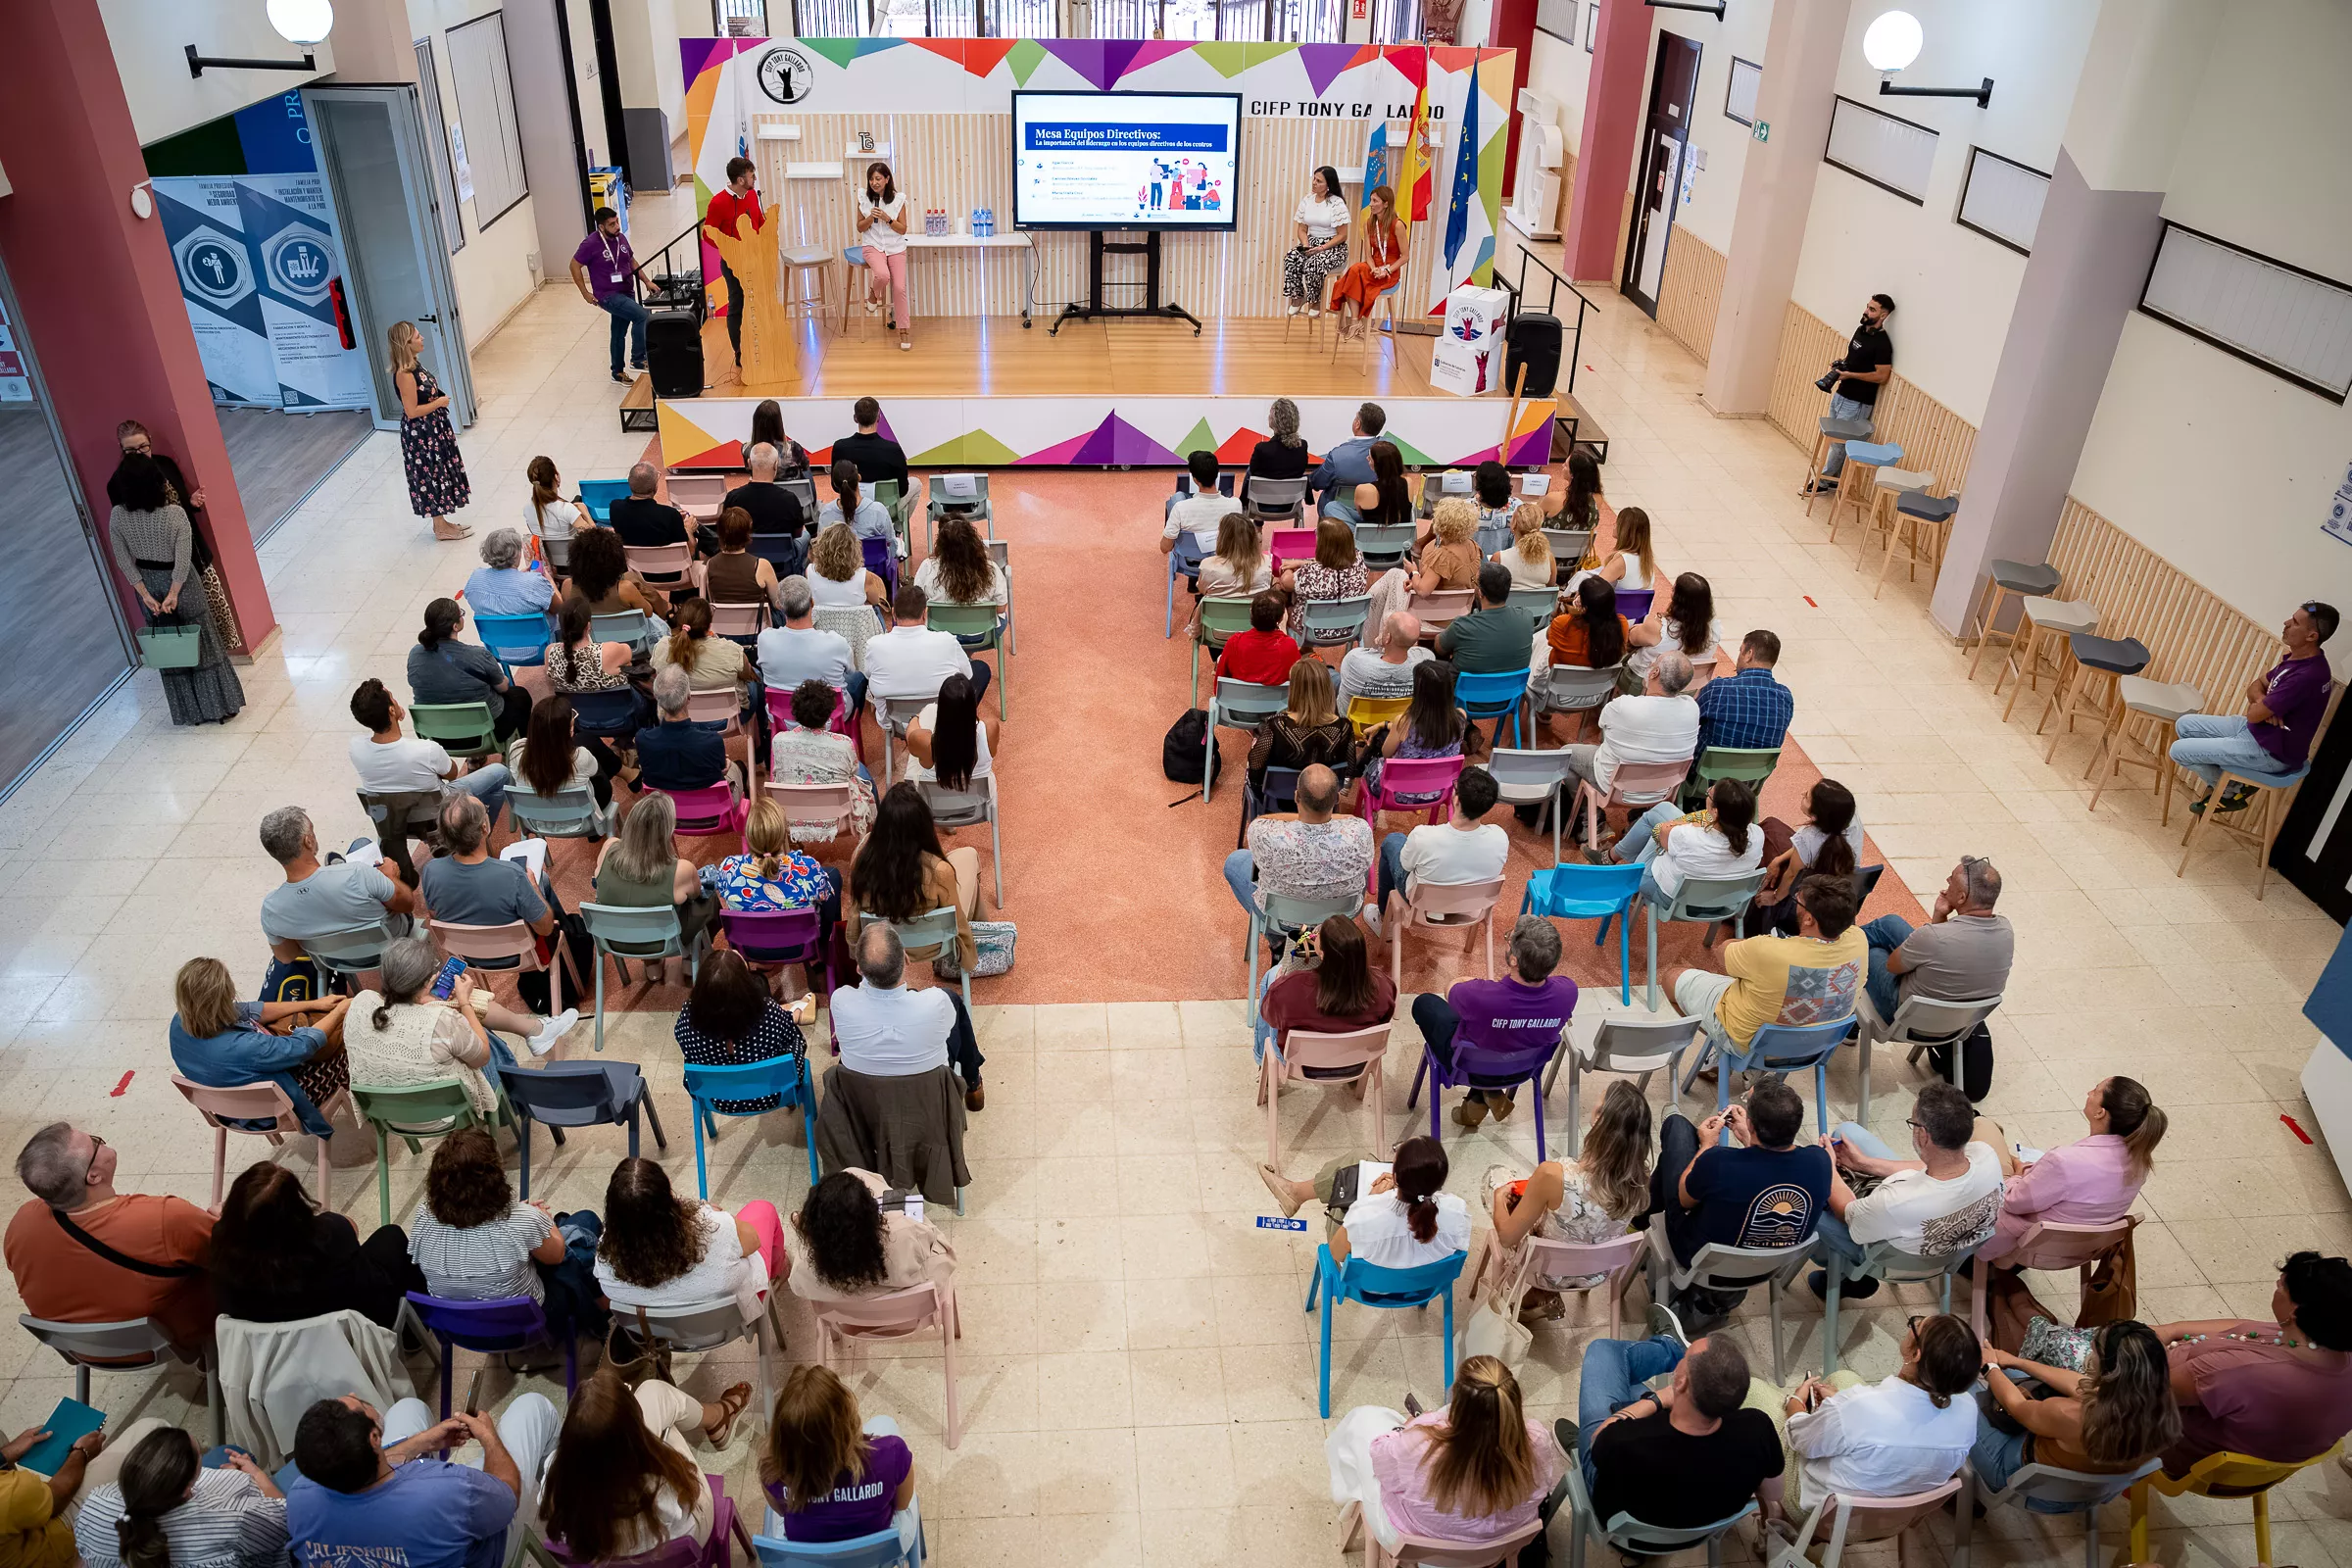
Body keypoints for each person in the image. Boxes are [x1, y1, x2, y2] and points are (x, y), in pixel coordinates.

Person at [285, 1392, 558, 1568]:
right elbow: (507, 1494)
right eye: (355, 1404)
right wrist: (488, 1437)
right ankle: (565, 1498)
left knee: (408, 1407)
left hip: (420, 1528)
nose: (355, 1394)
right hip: (484, 1553)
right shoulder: (445, 1491)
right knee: (532, 1406)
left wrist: (418, 1442)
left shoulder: (300, 1497)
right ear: (374, 1439)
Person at [7, 1122, 215, 1353]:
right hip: (169, 1340)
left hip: (83, 1349)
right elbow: (232, 1252)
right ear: (94, 1176)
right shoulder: (165, 1217)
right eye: (95, 1142)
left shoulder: (21, 1223)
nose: (101, 1141)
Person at [1325, 1356, 1562, 1556]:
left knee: (1364, 1420)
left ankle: (1342, 1492)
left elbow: (1381, 1466)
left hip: (1421, 1543)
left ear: (1458, 1402)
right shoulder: (1538, 1440)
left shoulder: (1420, 1446)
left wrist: (1413, 1428)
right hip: (1501, 1544)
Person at [1564, 1322, 1784, 1532]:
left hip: (1621, 1527)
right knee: (1628, 1387)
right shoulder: (1758, 1428)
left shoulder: (1628, 1439)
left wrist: (1656, 1399)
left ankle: (1671, 1346)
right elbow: (1774, 1492)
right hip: (1698, 1530)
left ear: (1680, 1382)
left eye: (1685, 1359)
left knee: (1601, 1350)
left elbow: (1598, 1441)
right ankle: (1675, 1349)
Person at [2152, 1250, 2352, 1476]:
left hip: (2179, 1451)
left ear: (2295, 1309)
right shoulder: (2320, 1340)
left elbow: (2146, 1394)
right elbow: (2247, 1328)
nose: (2276, 1286)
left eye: (2281, 1286)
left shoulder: (2239, 1370)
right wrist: (2174, 1329)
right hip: (2254, 1465)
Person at [1651, 1077, 1834, 1324]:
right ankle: (1641, 1214)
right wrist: (1750, 1140)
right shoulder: (1820, 1161)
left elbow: (1683, 1200)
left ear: (1750, 1122)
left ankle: (1640, 1217)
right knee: (1675, 1163)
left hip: (1698, 1260)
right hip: (1767, 1267)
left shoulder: (1719, 1161)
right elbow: (1773, 1168)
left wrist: (1706, 1145)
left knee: (1678, 1129)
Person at [1811, 1081, 2003, 1299]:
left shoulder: (1895, 1201)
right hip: (1944, 1256)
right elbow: (1930, 1166)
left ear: (1924, 1135)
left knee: (1802, 1189)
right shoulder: (1987, 1155)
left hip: (1878, 1259)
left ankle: (1847, 1277)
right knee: (1848, 1131)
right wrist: (1864, 1163)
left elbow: (1845, 1212)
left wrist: (1826, 1167)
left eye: (1913, 1123)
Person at [1771, 1313, 1981, 1512]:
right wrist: (1842, 1403)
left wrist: (1795, 1404)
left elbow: (1802, 1442)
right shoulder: (1969, 1409)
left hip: (1825, 1510)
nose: (1912, 1325)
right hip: (1894, 1513)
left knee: (1757, 1404)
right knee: (1844, 1377)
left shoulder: (1862, 1406)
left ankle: (1771, 1514)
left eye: (1918, 1325)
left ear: (1916, 1354)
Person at [407, 1127, 605, 1337]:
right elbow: (557, 1255)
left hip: (462, 1327)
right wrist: (543, 1219)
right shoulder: (521, 1219)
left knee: (569, 1229)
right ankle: (600, 1309)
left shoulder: (424, 1214)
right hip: (528, 1326)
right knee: (583, 1226)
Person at [416, 795, 580, 1045]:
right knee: (544, 890)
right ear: (485, 827)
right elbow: (545, 928)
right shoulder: (512, 875)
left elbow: (434, 915)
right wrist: (533, 888)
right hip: (525, 955)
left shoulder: (431, 872)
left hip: (469, 957)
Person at [539, 1367, 749, 1561]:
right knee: (664, 1420)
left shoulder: (554, 1478)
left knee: (655, 1398)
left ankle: (717, 1417)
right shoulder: (657, 1484)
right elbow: (689, 1493)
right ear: (633, 1430)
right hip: (684, 1544)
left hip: (605, 1558)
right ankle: (718, 1417)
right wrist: (658, 1445)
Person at [1483, 1081, 1652, 1319]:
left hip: (1542, 1269)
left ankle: (1542, 1292)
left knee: (1496, 1176)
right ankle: (1541, 1297)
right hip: (1595, 1272)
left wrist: (1499, 1197)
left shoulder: (1554, 1174)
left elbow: (1507, 1237)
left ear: (1600, 1119)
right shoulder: (1641, 1181)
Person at [1668, 873, 1864, 1072]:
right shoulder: (1859, 940)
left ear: (1809, 919)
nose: (1795, 903)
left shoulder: (1768, 950)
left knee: (1672, 978)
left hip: (1751, 1045)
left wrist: (1753, 946)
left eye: (1798, 900)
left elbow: (1722, 953)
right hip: (1815, 1047)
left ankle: (1724, 1050)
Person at [107, 453, 245, 724]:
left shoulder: (117, 516)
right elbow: (183, 559)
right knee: (203, 641)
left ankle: (190, 712)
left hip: (147, 581)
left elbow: (123, 559)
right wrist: (173, 593)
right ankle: (220, 706)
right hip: (182, 583)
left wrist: (145, 594)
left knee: (170, 648)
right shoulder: (175, 514)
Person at [1974, 1077, 2166, 1266]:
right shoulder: (2141, 1163)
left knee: (1984, 1127)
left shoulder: (2064, 1161)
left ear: (2100, 1112)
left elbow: (2012, 1202)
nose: (2088, 1093)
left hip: (2026, 1245)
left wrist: (2017, 1174)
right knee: (2002, 1149)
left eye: (2095, 1090)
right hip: (2081, 1250)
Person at [1973, 1321, 2180, 1496]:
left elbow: (2017, 1406)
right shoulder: (2162, 1409)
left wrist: (1990, 1367)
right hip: (2088, 1493)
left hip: (2015, 1478)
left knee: (1958, 1383)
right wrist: (2018, 1362)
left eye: (2094, 1352)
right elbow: (2081, 1385)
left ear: (2109, 1370)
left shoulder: (2069, 1414)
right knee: (2014, 1377)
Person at [1410, 914, 1578, 1129]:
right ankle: (1486, 1094)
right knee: (1493, 1036)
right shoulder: (1568, 992)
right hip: (1522, 1068)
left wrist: (1483, 987)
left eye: (1510, 940)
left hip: (1467, 1067)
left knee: (1425, 1003)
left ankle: (1485, 1091)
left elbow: (1452, 987)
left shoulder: (1482, 997)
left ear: (1514, 959)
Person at [209, 1162, 421, 1330]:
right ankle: (415, 1332)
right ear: (295, 1208)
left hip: (271, 1353)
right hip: (351, 1333)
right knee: (391, 1236)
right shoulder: (327, 1235)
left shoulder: (223, 1247)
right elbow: (351, 1226)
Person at [2174, 601, 2338, 816]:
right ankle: (2233, 785)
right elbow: (2255, 685)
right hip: (2259, 731)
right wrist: (2264, 703)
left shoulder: (2307, 675)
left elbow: (2253, 714)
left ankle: (2231, 792)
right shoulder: (2297, 659)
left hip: (2272, 752)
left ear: (2311, 636)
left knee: (2178, 751)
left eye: (2295, 622)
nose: (2286, 623)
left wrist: (2261, 708)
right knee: (2185, 725)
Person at [170, 956, 350, 1139]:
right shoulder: (245, 1047)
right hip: (275, 1111)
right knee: (346, 1046)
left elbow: (248, 1010)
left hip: (227, 1109)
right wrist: (339, 1011)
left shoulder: (179, 1023)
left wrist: (313, 1004)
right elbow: (303, 1045)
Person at [345, 939, 522, 1119]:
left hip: (392, 1116)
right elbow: (482, 1057)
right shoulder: (442, 1019)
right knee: (486, 1038)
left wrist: (424, 1000)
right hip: (449, 1115)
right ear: (428, 981)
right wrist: (464, 1002)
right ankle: (515, 1104)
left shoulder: (361, 1002)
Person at [73, 1424, 289, 1568]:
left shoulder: (95, 1503)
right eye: (199, 1458)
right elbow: (287, 1521)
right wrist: (256, 1474)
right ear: (187, 1488)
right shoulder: (234, 1520)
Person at [594, 1155, 782, 1316]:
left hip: (660, 1334)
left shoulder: (604, 1260)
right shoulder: (714, 1229)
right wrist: (710, 1214)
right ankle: (780, 1269)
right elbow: (753, 1241)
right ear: (669, 1206)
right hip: (731, 1321)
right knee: (762, 1209)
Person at [759, 1365, 920, 1550]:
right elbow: (902, 1505)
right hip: (878, 1556)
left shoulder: (771, 1471)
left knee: (777, 1521)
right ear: (844, 1422)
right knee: (886, 1423)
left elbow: (780, 1510)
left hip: (807, 1560)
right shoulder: (891, 1452)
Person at [1260, 1135, 1469, 1272]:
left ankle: (1295, 1193)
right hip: (1424, 1286)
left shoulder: (1365, 1214)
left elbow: (1334, 1253)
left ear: (1396, 1176)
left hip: (1366, 1287)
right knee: (1360, 1157)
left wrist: (1369, 1201)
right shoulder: (1458, 1211)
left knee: (1345, 1185)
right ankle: (1295, 1194)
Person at [830, 924, 986, 1107]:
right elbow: (947, 1027)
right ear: (906, 959)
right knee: (954, 1005)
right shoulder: (937, 1001)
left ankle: (974, 1083)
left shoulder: (841, 1001)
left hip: (867, 1106)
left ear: (859, 970)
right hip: (928, 1102)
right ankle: (973, 1084)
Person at [1222, 763, 1375, 934]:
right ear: (1337, 799)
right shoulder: (1361, 832)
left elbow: (1261, 820)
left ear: (1296, 797)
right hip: (1339, 920)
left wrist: (1304, 816)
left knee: (1234, 861)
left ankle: (1277, 940)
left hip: (1279, 919)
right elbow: (1350, 819)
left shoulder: (1266, 835)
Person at [1559, 651, 1699, 836]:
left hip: (1615, 788)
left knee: (1565, 754)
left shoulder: (1623, 705)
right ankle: (1638, 822)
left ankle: (1592, 821)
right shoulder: (1692, 707)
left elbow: (1603, 727)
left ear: (1654, 673)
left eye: (1653, 663)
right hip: (1662, 791)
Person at [1862, 855, 2013, 1024]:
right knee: (1890, 923)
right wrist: (1940, 914)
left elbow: (1892, 966)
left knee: (1871, 951)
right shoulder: (2006, 930)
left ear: (1962, 898)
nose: (1947, 881)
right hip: (1959, 1023)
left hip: (1905, 1017)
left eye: (1951, 880)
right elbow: (1942, 950)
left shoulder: (1933, 937)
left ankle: (1834, 953)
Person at [846, 783, 981, 973]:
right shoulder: (938, 870)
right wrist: (969, 955)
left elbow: (854, 914)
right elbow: (957, 921)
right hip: (933, 946)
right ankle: (982, 941)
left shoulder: (862, 858)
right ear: (923, 824)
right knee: (969, 856)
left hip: (880, 948)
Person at [257, 805, 418, 964]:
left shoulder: (271, 909)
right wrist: (391, 877)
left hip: (333, 958)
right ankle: (340, 870)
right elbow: (407, 904)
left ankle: (337, 868)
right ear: (308, 841)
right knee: (362, 845)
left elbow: (286, 956)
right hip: (391, 944)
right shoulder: (358, 873)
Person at [350, 676, 512, 829]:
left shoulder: (355, 748)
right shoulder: (426, 750)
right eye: (392, 698)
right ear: (392, 711)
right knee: (501, 772)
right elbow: (452, 774)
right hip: (442, 813)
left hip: (398, 822)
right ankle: (477, 832)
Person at [595, 792, 717, 979]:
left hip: (615, 939)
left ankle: (651, 966)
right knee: (710, 898)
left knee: (634, 901)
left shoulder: (609, 847)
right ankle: (691, 957)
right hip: (664, 941)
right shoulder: (681, 870)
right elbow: (695, 895)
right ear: (667, 832)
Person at [786, 1168, 956, 1303]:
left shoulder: (804, 1270)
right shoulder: (905, 1234)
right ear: (871, 1213)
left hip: (846, 1319)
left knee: (853, 1173)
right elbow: (946, 1256)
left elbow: (797, 1287)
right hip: (910, 1312)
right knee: (857, 1174)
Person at [1253, 913, 1396, 1067]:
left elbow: (1270, 1016)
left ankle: (1262, 1060)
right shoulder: (1383, 985)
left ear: (1322, 953)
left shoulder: (1291, 988)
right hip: (1356, 1061)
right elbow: (1384, 1020)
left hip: (1299, 1063)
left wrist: (1277, 984)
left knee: (1271, 975)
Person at [1371, 762, 1506, 925]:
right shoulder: (1500, 837)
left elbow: (1405, 866)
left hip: (1421, 903)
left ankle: (1383, 917)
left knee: (1393, 840)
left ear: (1457, 800)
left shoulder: (1424, 836)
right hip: (1471, 904)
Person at [677, 949, 808, 1113]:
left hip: (716, 1100)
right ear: (747, 984)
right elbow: (794, 1039)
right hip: (775, 1095)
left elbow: (683, 1043)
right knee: (795, 1041)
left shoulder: (688, 1016)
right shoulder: (768, 1012)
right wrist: (791, 1017)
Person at [1609, 777, 1764, 912]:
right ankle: (1612, 855)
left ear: (1715, 812)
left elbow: (1662, 833)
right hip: (1723, 902)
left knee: (1657, 830)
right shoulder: (1757, 835)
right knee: (1665, 809)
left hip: (1670, 898)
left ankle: (1618, 866)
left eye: (1709, 793)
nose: (1708, 792)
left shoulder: (1688, 835)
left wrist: (1692, 825)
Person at [1359, 658, 1488, 808]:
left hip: (1397, 792)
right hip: (1438, 791)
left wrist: (1389, 727)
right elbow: (1431, 729)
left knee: (1373, 759)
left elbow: (1386, 753)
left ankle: (1364, 802)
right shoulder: (1460, 717)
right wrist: (1387, 725)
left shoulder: (1404, 722)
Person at [405, 599, 532, 742]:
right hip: (483, 735)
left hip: (436, 735)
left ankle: (474, 760)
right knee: (520, 695)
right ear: (455, 626)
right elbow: (503, 687)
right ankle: (519, 750)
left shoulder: (415, 654)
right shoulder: (478, 655)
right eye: (461, 614)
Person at [768, 679, 877, 845]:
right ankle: (878, 831)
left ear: (795, 711)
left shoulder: (779, 741)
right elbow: (853, 771)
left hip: (792, 817)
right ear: (829, 712)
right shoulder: (844, 743)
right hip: (839, 819)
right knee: (863, 773)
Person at [390, 320, 471, 540]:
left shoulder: (415, 365)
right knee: (431, 475)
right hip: (422, 436)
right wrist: (439, 403)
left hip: (433, 430)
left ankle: (442, 522)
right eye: (417, 336)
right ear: (406, 343)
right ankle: (440, 528)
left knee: (441, 472)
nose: (422, 338)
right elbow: (412, 411)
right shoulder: (404, 374)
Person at [1805, 293, 1894, 492]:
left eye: (1872, 309)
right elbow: (1855, 359)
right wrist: (1842, 365)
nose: (1866, 311)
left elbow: (1882, 376)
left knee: (1839, 444)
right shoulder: (1860, 331)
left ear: (1883, 315)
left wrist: (1851, 374)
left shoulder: (1882, 344)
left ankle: (1822, 482)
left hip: (1858, 401)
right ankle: (1832, 478)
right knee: (1833, 439)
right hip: (1841, 393)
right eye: (1867, 307)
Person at [1751, 779, 1862, 937]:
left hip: (1803, 901)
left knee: (1770, 832)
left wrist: (1775, 897)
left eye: (1807, 798)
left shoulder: (1808, 836)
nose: (1803, 794)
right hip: (1836, 895)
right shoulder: (1850, 822)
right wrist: (1780, 859)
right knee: (1773, 827)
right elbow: (1807, 850)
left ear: (1816, 816)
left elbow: (1791, 874)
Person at [718, 794, 846, 930]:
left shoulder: (729, 868)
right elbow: (825, 895)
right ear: (783, 834)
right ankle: (831, 941)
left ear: (750, 834)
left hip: (750, 948)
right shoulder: (809, 868)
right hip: (803, 948)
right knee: (833, 876)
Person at [0, 1417, 107, 1568]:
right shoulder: (7, 1493)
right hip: (52, 1545)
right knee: (146, 1427)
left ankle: (22, 1515)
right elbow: (59, 1494)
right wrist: (81, 1452)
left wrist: (3, 1455)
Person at [1246, 657, 1352, 800]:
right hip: (1323, 801)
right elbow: (1349, 769)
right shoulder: (1344, 727)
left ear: (1294, 689)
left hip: (1278, 801)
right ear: (1328, 689)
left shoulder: (1277, 725)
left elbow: (1255, 765)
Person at [866, 584, 992, 705]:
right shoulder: (947, 641)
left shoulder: (874, 645)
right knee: (980, 668)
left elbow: (869, 676)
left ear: (893, 614)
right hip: (941, 721)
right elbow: (967, 675)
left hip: (893, 722)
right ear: (925, 614)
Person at [570, 204, 649, 382]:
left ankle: (617, 372)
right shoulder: (590, 244)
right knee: (642, 316)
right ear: (601, 226)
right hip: (608, 295)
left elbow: (631, 260)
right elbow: (574, 265)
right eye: (612, 224)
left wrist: (646, 281)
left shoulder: (620, 238)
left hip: (627, 291)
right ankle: (638, 359)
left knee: (618, 332)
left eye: (617, 222)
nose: (617, 227)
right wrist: (585, 293)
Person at [759, 576, 860, 710]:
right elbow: (850, 670)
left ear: (779, 605)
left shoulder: (765, 640)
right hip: (830, 718)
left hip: (782, 716)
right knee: (858, 678)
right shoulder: (837, 643)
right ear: (812, 603)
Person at [703, 156, 764, 368]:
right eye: (751, 175)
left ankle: (761, 346)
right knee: (737, 304)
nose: (754, 178)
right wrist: (728, 246)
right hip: (732, 263)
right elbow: (707, 234)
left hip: (756, 259)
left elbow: (760, 222)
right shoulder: (718, 202)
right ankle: (739, 350)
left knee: (759, 303)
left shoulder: (752, 196)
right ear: (740, 180)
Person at [633, 665, 734, 796]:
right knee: (738, 769)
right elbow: (720, 772)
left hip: (666, 809)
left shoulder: (643, 739)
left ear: (656, 697)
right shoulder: (712, 741)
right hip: (709, 807)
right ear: (688, 696)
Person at [1693, 630, 1794, 753]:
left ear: (1749, 654)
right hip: (1755, 771)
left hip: (1702, 769)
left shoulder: (1719, 689)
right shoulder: (1785, 698)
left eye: (1740, 651)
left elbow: (1690, 719)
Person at [914, 514, 1007, 645]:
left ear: (940, 544)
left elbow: (917, 604)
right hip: (982, 634)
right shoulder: (990, 568)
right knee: (1002, 618)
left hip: (939, 633)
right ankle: (965, 658)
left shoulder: (928, 566)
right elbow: (1001, 608)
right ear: (974, 542)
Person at [852, 161, 913, 351]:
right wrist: (871, 217)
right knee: (882, 275)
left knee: (899, 288)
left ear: (887, 179)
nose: (874, 182)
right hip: (873, 246)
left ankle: (903, 330)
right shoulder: (863, 198)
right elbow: (860, 227)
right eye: (871, 179)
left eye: (878, 178)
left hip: (895, 247)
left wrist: (887, 219)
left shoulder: (898, 200)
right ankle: (873, 295)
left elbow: (902, 229)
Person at [1328, 183, 1403, 338]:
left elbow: (1406, 256)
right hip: (1373, 267)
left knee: (1353, 274)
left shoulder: (1398, 225)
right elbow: (1369, 256)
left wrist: (1386, 270)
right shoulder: (1369, 224)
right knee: (1353, 272)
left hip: (1390, 271)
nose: (1371, 204)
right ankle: (1355, 322)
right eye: (1371, 200)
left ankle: (1355, 322)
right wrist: (1374, 268)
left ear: (1386, 203)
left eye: (1375, 201)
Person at [1279, 516, 1369, 641]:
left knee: (1281, 604)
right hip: (1350, 626)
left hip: (1314, 630)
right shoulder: (1359, 560)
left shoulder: (1312, 574)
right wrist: (1304, 563)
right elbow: (1333, 565)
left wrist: (1289, 564)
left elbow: (1285, 582)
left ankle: (1296, 651)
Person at [1436, 562, 1535, 675]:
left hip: (1465, 691)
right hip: (1511, 691)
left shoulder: (1461, 626)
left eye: (1475, 582)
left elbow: (1439, 648)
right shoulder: (1527, 618)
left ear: (1480, 592)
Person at [564, 524, 671, 629]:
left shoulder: (567, 586)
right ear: (616, 560)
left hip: (588, 640)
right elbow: (648, 612)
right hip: (630, 641)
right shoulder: (625, 588)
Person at [1626, 571, 1720, 688]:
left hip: (1643, 685)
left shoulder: (1657, 627)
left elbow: (1632, 638)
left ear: (1677, 599)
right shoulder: (1715, 628)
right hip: (1686, 688)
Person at [905, 671, 993, 791]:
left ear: (941, 708)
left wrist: (915, 717)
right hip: (977, 804)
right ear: (973, 705)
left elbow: (910, 736)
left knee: (928, 711)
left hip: (935, 804)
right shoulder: (990, 729)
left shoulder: (923, 740)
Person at [724, 444, 808, 568]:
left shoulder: (732, 498)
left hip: (745, 563)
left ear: (749, 463)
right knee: (806, 535)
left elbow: (727, 532)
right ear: (776, 464)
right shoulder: (790, 499)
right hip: (781, 564)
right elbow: (798, 533)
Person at [652, 598, 751, 701]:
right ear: (709, 625)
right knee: (755, 678)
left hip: (675, 713)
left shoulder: (661, 647)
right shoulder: (731, 650)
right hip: (730, 714)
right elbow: (746, 676)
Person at [1284, 166, 1350, 315]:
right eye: (1314, 179)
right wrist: (1306, 245)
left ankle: (1315, 300)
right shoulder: (1307, 200)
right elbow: (1302, 229)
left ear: (1328, 185)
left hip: (1333, 246)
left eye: (1319, 181)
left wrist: (1322, 248)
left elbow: (1342, 235)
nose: (1314, 183)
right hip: (1311, 242)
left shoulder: (1337, 203)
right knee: (1291, 258)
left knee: (1314, 264)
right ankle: (1298, 297)